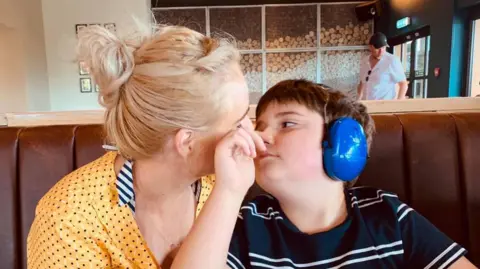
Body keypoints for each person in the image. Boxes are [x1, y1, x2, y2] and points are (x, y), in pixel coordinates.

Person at [26, 24, 265, 268]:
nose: (250, 130)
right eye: (238, 122)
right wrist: (228, 196)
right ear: (186, 142)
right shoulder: (69, 220)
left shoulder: (219, 181)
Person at [172, 79, 477, 269]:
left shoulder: (386, 215)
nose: (261, 138)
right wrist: (229, 190)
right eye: (259, 126)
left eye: (287, 124)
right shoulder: (249, 225)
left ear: (344, 145)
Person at [357, 32, 409, 100]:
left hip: (385, 105)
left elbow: (403, 84)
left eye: (383, 47)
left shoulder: (392, 60)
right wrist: (357, 101)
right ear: (370, 47)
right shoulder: (364, 61)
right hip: (366, 105)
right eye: (378, 48)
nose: (381, 51)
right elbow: (362, 83)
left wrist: (398, 105)